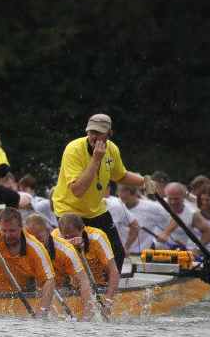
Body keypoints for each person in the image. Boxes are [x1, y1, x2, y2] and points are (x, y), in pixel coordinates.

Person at [51, 113, 152, 270]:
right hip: (69, 210)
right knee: (77, 255)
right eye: (91, 132)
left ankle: (108, 284)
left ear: (109, 134)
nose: (94, 136)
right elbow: (78, 190)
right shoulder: (73, 149)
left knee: (116, 253)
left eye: (99, 133)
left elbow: (121, 175)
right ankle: (76, 283)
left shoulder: (112, 149)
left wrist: (144, 182)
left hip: (96, 210)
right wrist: (96, 159)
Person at [0, 208, 57, 315]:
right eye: (4, 231)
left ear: (21, 227)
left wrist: (42, 311)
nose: (7, 235)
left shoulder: (35, 247)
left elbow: (49, 280)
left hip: (20, 295)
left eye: (12, 231)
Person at [25, 214, 94, 319]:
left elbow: (83, 281)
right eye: (32, 239)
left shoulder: (65, 250)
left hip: (62, 287)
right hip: (33, 287)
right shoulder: (21, 245)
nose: (36, 244)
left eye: (39, 238)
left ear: (48, 231)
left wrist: (87, 315)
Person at [55, 214, 120, 305]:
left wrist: (108, 300)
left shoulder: (97, 237)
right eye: (66, 237)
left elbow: (113, 271)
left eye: (73, 236)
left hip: (97, 283)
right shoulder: (55, 238)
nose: (71, 241)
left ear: (82, 229)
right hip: (69, 284)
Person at [157, 182, 210, 250]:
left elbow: (209, 232)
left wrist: (197, 249)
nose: (173, 202)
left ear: (183, 197)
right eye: (170, 198)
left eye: (176, 199)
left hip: (178, 253)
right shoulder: (158, 206)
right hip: (154, 251)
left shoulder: (191, 213)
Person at [117, 185, 171, 254]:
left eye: (124, 194)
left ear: (133, 194)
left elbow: (173, 219)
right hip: (121, 254)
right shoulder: (115, 206)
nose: (120, 195)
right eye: (119, 192)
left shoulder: (152, 207)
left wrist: (166, 233)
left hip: (145, 254)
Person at [104, 182, 139, 255]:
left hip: (113, 251)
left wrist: (126, 247)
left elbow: (135, 226)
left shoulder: (116, 204)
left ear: (108, 188)